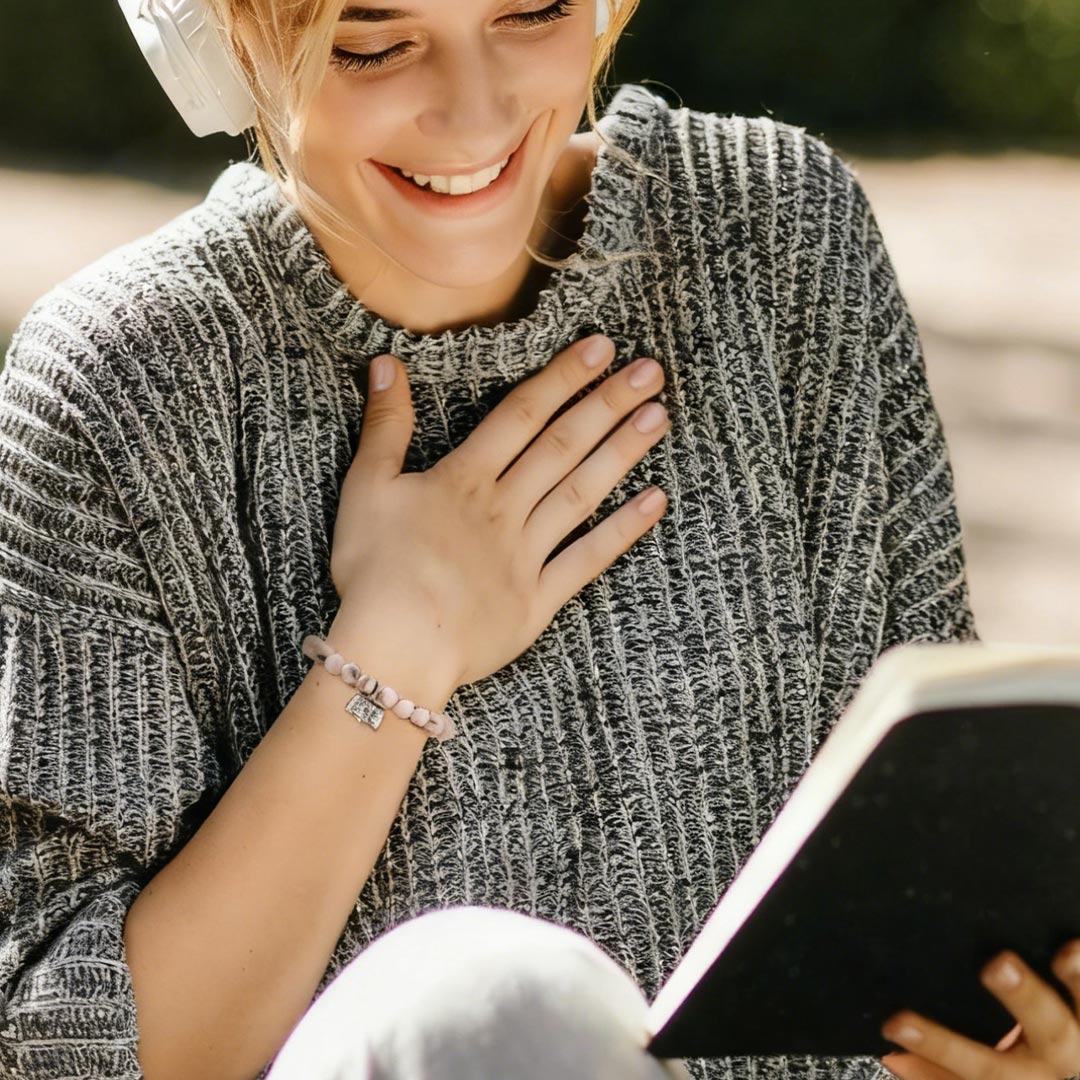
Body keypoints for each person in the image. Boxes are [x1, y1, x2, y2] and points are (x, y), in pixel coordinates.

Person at [0, 0, 1020, 1078]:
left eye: (530, 11)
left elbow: (945, 849)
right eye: (373, 40)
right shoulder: (122, 385)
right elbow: (76, 1055)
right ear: (223, 41)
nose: (474, 114)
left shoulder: (780, 235)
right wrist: (400, 642)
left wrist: (1022, 1035)